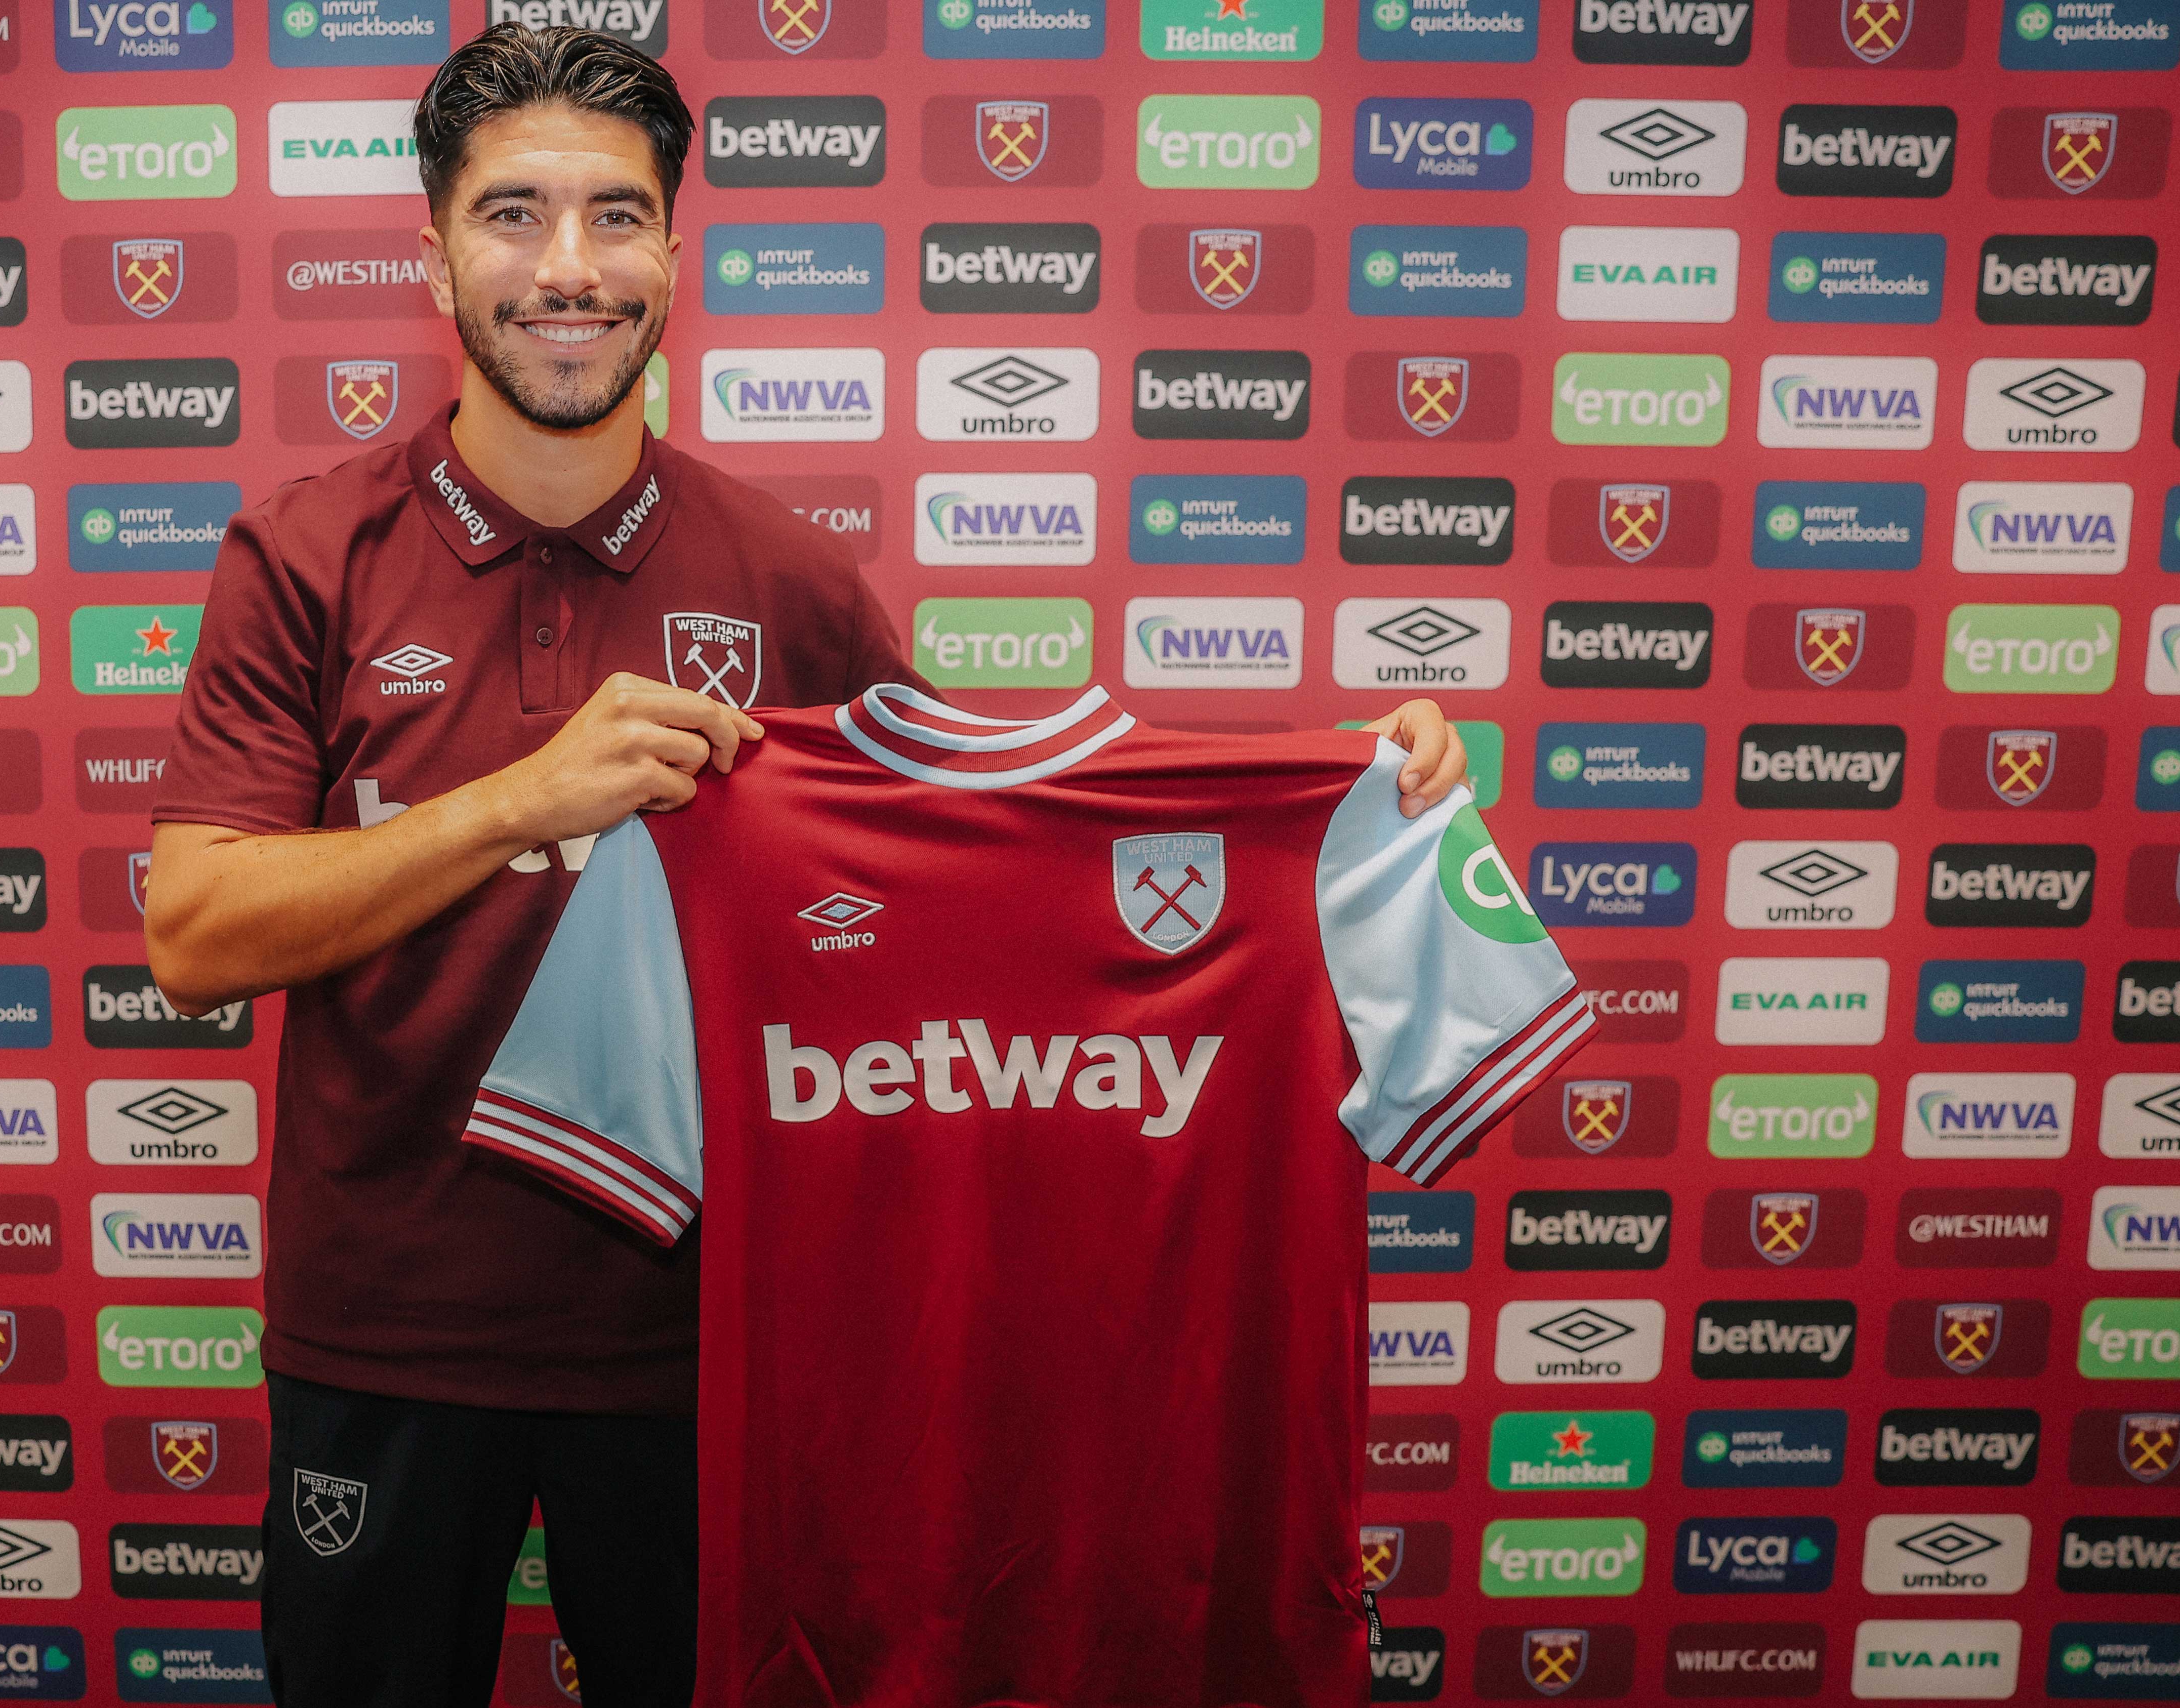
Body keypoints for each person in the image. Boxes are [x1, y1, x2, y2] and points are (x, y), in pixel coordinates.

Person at [141, 25, 1470, 1705]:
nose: (570, 268)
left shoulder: (788, 578)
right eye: (515, 216)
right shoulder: (306, 553)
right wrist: (518, 800)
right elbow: (194, 932)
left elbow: (987, 885)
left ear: (676, 258)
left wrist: (1344, 804)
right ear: (435, 256)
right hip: (388, 1327)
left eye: (618, 218)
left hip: (719, 1351)